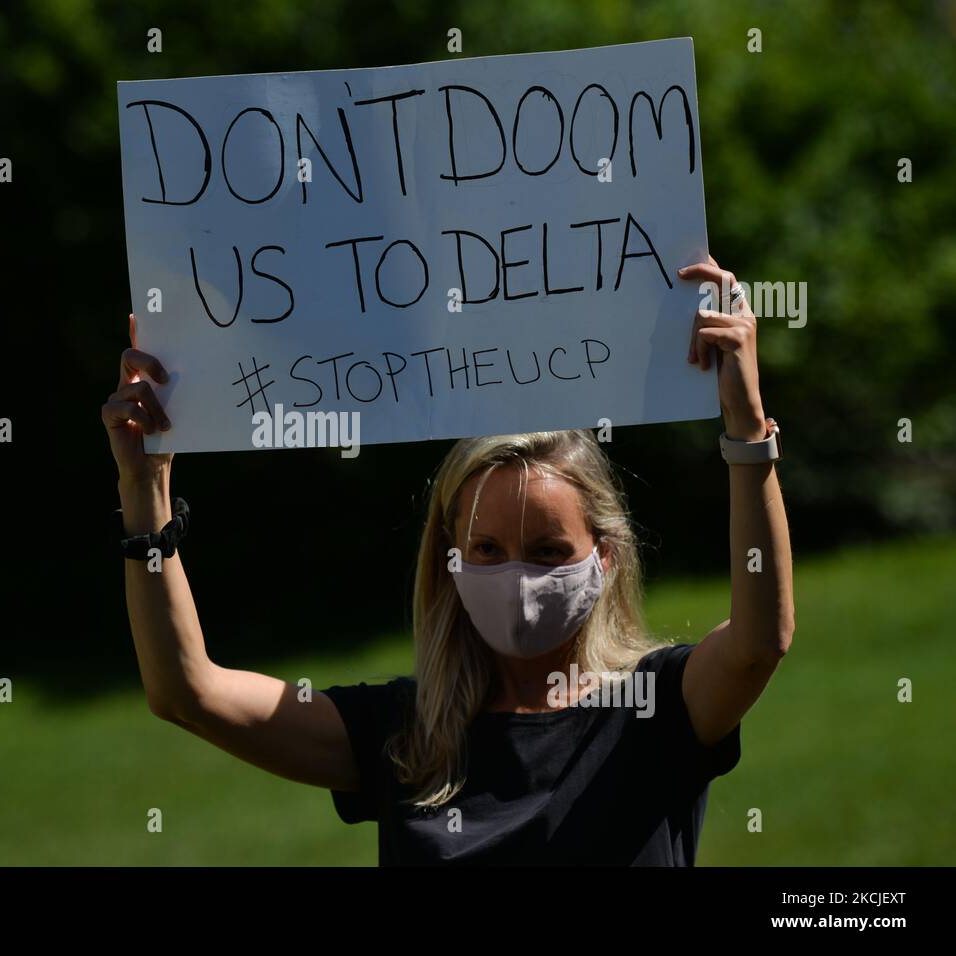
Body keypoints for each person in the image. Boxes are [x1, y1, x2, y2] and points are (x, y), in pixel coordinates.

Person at [101, 257, 794, 865]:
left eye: (549, 551)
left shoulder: (657, 710)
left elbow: (761, 643)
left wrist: (745, 429)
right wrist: (146, 491)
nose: (517, 577)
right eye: (487, 549)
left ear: (606, 557)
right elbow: (186, 692)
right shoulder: (404, 734)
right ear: (449, 558)